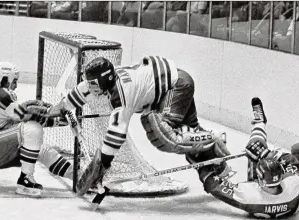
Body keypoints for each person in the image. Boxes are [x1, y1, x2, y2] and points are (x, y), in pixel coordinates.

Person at [48, 56, 231, 196]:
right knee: (188, 136)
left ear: (105, 80)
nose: (91, 86)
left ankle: (214, 137)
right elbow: (82, 90)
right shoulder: (108, 82)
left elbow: (117, 133)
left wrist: (102, 164)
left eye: (94, 83)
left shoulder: (122, 93)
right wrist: (60, 108)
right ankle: (216, 165)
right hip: (171, 85)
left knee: (163, 135)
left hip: (176, 86)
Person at [190, 97, 299, 219]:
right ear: (282, 176)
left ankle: (259, 123)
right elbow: (290, 160)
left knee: (253, 148)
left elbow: (214, 186)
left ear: (259, 180)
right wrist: (267, 154)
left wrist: (201, 167)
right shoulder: (293, 184)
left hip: (258, 201)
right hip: (292, 201)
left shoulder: (248, 194)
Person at [0, 62, 75, 197]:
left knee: (40, 149)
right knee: (32, 128)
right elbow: (27, 117)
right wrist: (57, 119)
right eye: (14, 81)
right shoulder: (4, 96)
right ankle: (25, 180)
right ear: (5, 79)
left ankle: (78, 177)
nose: (16, 85)